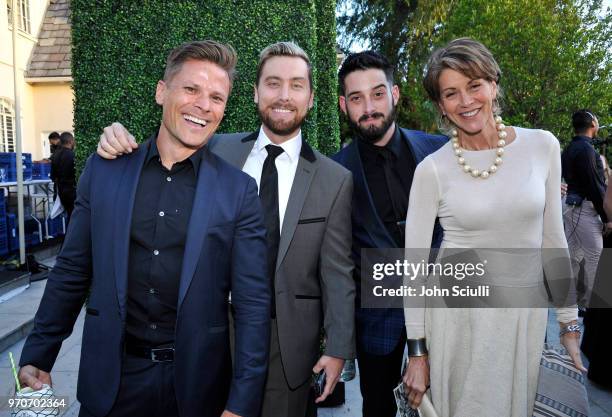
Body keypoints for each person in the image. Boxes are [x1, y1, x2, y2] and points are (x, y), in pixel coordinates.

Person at [96, 41, 355, 417]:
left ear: (312, 98)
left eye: (297, 85)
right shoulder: (212, 147)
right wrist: (116, 137)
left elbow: (338, 272)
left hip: (286, 348)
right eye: (273, 83)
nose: (284, 96)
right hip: (202, 337)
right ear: (254, 93)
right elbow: (162, 151)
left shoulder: (335, 179)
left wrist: (337, 349)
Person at [18, 40, 271, 417]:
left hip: (198, 387)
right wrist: (40, 352)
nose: (204, 105)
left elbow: (252, 304)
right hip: (112, 383)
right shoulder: (106, 171)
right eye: (191, 89)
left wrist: (242, 401)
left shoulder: (238, 191)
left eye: (217, 97)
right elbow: (72, 270)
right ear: (161, 91)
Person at [401, 38, 582, 416]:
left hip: (522, 319)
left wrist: (568, 323)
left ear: (493, 85)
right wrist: (417, 353)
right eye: (451, 93)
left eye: (474, 85)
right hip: (457, 321)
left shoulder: (542, 146)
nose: (466, 101)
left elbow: (554, 240)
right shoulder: (432, 169)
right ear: (441, 106)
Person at [332, 51, 446, 417]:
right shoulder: (334, 172)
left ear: (395, 94)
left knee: (445, 405)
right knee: (377, 407)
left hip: (443, 311)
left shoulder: (440, 151)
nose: (369, 107)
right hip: (377, 321)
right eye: (356, 98)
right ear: (343, 105)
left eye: (377, 94)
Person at [562, 109, 612, 307]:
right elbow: (595, 186)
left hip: (571, 206)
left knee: (574, 256)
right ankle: (592, 306)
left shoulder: (569, 148)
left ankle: (571, 301)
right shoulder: (587, 150)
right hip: (584, 208)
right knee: (595, 259)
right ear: (593, 124)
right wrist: (607, 217)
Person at [50, 132, 76, 221]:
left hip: (60, 190)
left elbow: (52, 176)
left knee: (69, 214)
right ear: (71, 141)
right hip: (72, 190)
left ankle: (67, 234)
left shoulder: (54, 155)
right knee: (73, 216)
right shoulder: (73, 155)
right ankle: (71, 234)